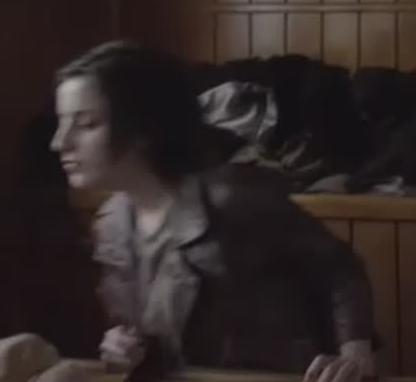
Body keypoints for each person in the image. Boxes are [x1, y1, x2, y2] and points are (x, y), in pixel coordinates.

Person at [48, 41, 378, 381]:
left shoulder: (233, 199)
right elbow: (153, 337)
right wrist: (123, 347)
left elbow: (340, 269)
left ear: (142, 130)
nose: (59, 142)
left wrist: (354, 355)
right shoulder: (112, 223)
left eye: (86, 124)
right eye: (62, 123)